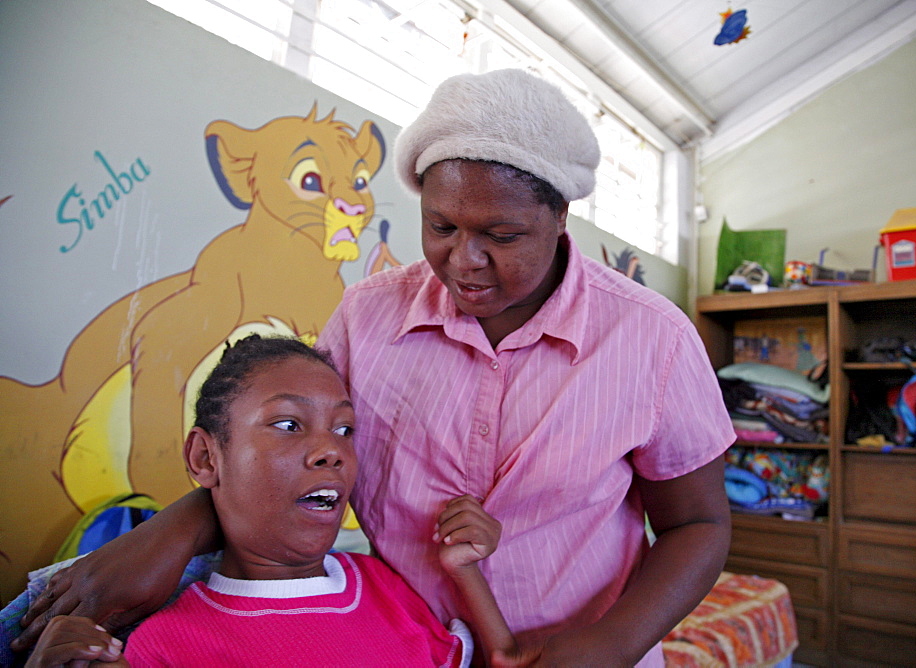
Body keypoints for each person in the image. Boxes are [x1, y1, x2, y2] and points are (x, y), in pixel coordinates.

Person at [15, 69, 734, 667]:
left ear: (560, 219)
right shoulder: (368, 318)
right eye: (442, 226)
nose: (464, 260)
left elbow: (697, 524)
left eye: (501, 235)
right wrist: (174, 530)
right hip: (394, 643)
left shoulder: (652, 340)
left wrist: (612, 643)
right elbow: (291, 446)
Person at [23, 335, 514, 667]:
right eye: (287, 424)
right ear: (205, 457)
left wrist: (465, 570)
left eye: (345, 429)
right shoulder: (168, 644)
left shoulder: (380, 585)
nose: (332, 451)